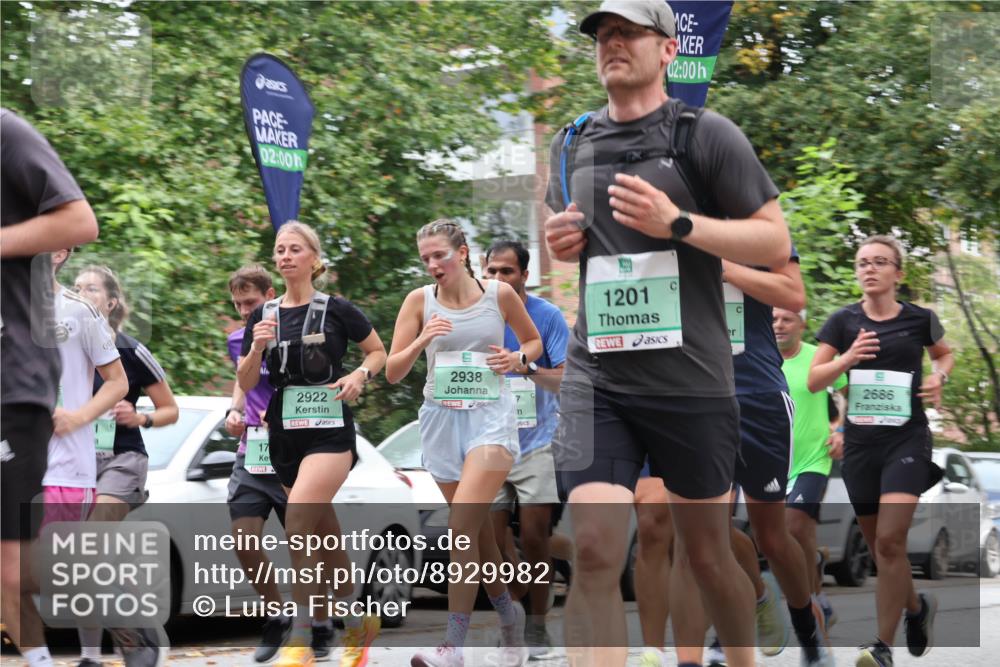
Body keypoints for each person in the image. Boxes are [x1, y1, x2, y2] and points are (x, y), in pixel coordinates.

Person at [543, 2, 793, 665]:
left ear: (668, 50)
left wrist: (680, 223)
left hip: (691, 381)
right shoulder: (571, 141)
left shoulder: (706, 136)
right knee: (595, 547)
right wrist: (564, 242)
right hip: (601, 374)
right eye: (602, 34)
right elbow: (585, 246)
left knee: (708, 555)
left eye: (627, 32)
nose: (611, 43)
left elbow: (773, 237)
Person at [386, 220, 542, 667]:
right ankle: (509, 616)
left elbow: (530, 341)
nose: (433, 265)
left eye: (440, 255)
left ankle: (452, 646)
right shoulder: (419, 301)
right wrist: (422, 338)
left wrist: (517, 358)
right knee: (474, 533)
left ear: (463, 253)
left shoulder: (499, 295)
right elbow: (394, 371)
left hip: (491, 419)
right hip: (440, 421)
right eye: (426, 259)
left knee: (460, 527)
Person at [238, 221, 387, 667]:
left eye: (294, 249)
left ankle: (301, 636)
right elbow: (246, 383)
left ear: (312, 258)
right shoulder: (262, 317)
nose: (284, 256)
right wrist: (255, 351)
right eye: (279, 249)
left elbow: (377, 351)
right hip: (284, 433)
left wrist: (359, 375)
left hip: (328, 429)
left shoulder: (337, 309)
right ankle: (358, 622)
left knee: (298, 519)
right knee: (324, 536)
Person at [809, 235, 953, 667]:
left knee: (890, 539)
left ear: (898, 273)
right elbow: (816, 380)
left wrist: (938, 378)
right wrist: (848, 358)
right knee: (880, 549)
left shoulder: (920, 319)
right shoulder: (842, 322)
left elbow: (944, 356)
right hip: (861, 446)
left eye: (879, 262)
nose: (869, 269)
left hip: (906, 439)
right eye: (862, 263)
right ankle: (916, 608)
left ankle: (882, 646)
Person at [1, 107, 99, 667]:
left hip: (10, 383)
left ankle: (108, 589)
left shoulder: (4, 131)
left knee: (11, 568)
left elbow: (79, 222)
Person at [71, 264, 179, 667]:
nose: (81, 293)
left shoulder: (131, 350)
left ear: (111, 302)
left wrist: (141, 417)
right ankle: (89, 657)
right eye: (76, 288)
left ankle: (136, 637)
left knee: (89, 541)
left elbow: (170, 409)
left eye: (91, 289)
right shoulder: (65, 351)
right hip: (76, 463)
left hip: (123, 460)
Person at [483, 239, 569, 660]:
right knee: (493, 542)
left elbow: (567, 378)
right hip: (487, 443)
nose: (498, 279)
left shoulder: (546, 316)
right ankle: (512, 613)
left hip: (537, 443)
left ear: (524, 275)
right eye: (492, 272)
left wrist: (527, 367)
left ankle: (537, 626)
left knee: (536, 536)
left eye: (507, 272)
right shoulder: (474, 313)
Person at [775, 306, 847, 627]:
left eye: (786, 319)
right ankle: (815, 581)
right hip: (773, 461)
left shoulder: (819, 356)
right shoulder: (756, 359)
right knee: (788, 536)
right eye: (773, 319)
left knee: (795, 526)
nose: (779, 325)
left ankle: (810, 604)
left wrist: (842, 429)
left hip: (814, 458)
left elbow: (848, 394)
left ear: (801, 324)